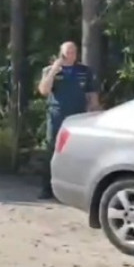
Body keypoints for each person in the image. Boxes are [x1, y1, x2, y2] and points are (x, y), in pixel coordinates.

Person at [37, 41, 100, 200]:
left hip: (78, 115)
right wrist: (53, 71)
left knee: (78, 150)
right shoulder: (50, 70)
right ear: (61, 54)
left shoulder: (84, 71)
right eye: (66, 53)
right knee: (52, 148)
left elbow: (91, 93)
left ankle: (75, 188)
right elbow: (44, 90)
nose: (69, 56)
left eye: (72, 52)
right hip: (57, 114)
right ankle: (47, 187)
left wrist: (95, 110)